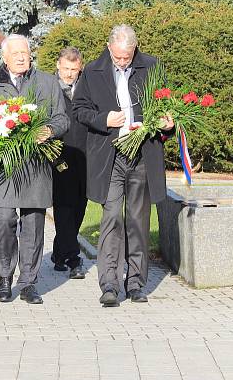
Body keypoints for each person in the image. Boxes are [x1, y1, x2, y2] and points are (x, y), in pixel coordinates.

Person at [73, 25, 174, 308]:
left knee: (138, 221)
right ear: (109, 49)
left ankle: (136, 284)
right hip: (110, 157)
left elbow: (167, 107)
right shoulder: (92, 71)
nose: (122, 62)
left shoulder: (152, 67)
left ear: (134, 49)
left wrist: (167, 124)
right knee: (112, 219)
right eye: (118, 57)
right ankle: (109, 285)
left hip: (142, 155)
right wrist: (104, 119)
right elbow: (79, 110)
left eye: (127, 57)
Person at [0, 34, 69, 304]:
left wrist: (49, 130)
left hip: (36, 166)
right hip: (4, 166)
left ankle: (28, 282)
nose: (21, 57)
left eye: (24, 53)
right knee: (4, 220)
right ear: (4, 57)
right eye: (15, 53)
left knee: (34, 225)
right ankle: (5, 275)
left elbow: (62, 118)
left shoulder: (47, 82)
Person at [51, 47, 88, 280]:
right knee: (63, 207)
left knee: (79, 207)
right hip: (59, 154)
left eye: (74, 69)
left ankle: (58, 253)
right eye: (66, 68)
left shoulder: (86, 88)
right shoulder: (50, 88)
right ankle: (74, 258)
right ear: (58, 65)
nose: (70, 73)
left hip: (84, 155)